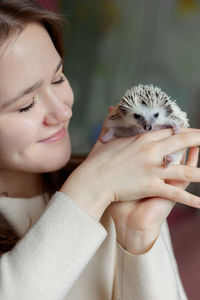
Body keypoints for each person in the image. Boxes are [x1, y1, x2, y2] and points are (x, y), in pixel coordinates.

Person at [0, 1, 200, 299]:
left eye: (58, 78)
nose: (63, 112)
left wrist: (140, 237)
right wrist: (90, 188)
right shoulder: (103, 183)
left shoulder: (123, 189)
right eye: (26, 104)